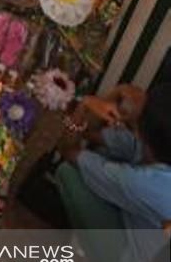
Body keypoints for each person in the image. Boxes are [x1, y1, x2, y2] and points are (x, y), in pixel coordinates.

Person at [57, 83, 171, 262]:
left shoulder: (142, 182)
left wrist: (85, 104)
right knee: (108, 156)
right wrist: (112, 98)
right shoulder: (152, 150)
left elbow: (68, 150)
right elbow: (91, 133)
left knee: (69, 171)